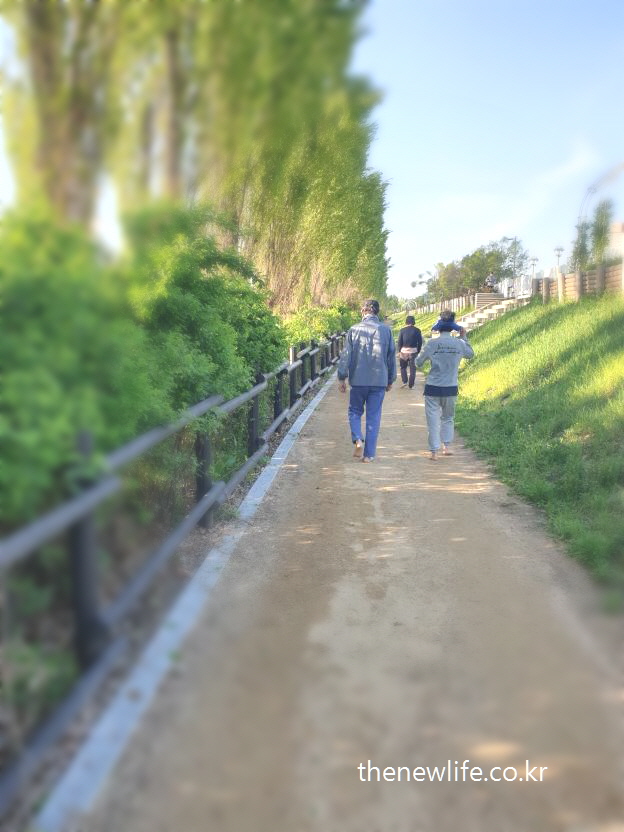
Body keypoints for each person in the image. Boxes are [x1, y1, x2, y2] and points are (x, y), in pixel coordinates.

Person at [337, 299, 396, 463]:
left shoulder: (353, 330)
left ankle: (357, 439)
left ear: (363, 311)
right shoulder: (386, 331)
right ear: (377, 312)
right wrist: (391, 379)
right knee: (374, 416)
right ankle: (369, 455)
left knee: (354, 411)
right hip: (379, 381)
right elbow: (391, 357)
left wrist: (342, 377)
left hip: (358, 380)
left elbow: (346, 356)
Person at [415, 319, 474, 460]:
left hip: (432, 387)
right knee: (448, 418)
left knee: (433, 420)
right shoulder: (459, 343)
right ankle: (446, 446)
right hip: (450, 387)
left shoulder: (432, 343)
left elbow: (418, 362)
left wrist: (425, 348)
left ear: (438, 329)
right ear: (453, 329)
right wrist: (464, 337)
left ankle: (434, 451)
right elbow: (470, 354)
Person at [396, 315, 422, 389]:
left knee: (403, 367)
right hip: (413, 352)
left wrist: (399, 351)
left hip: (403, 352)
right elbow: (420, 342)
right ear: (413, 322)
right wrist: (418, 350)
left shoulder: (402, 330)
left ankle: (404, 381)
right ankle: (411, 385)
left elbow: (399, 342)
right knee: (413, 369)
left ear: (406, 322)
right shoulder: (417, 330)